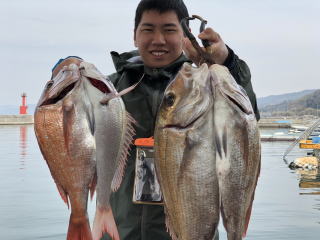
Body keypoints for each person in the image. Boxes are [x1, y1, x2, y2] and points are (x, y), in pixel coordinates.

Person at [53, 0, 260, 239]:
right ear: (134, 35)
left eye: (169, 30)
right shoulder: (108, 91)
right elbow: (64, 117)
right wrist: (66, 67)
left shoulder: (205, 84)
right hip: (118, 232)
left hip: (193, 228)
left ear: (186, 35)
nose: (158, 39)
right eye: (148, 29)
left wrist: (228, 63)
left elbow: (245, 121)